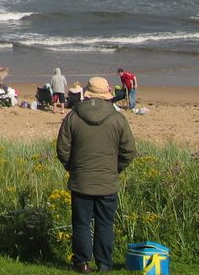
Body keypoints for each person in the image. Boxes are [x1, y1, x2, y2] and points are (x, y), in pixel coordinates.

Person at [56, 76, 137, 273]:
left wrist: (73, 168)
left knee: (81, 223)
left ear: (87, 94)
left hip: (81, 181)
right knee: (105, 224)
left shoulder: (73, 117)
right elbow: (129, 152)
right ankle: (105, 264)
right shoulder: (118, 118)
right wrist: (115, 169)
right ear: (107, 95)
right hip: (107, 181)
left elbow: (62, 150)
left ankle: (81, 263)